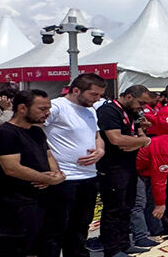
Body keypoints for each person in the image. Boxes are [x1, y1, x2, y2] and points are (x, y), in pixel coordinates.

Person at [0, 89, 65, 257]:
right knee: (18, 248)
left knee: (48, 244)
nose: (47, 113)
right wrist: (47, 178)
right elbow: (12, 168)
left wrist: (56, 174)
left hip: (42, 201)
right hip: (16, 204)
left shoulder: (36, 131)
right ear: (22, 108)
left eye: (48, 108)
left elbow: (48, 155)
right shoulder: (4, 134)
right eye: (42, 109)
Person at [43, 73, 107, 257]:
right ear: (76, 90)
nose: (97, 99)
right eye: (93, 94)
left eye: (100, 95)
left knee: (81, 226)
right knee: (55, 228)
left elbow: (97, 135)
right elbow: (35, 131)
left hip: (88, 176)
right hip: (65, 177)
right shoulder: (57, 107)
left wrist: (100, 150)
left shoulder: (90, 110)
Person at [96, 85, 154, 257]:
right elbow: (116, 139)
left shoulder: (131, 111)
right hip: (112, 166)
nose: (142, 107)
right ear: (129, 96)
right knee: (114, 208)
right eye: (141, 103)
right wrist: (142, 141)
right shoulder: (109, 110)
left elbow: (140, 135)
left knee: (127, 206)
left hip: (129, 164)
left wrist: (139, 141)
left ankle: (124, 244)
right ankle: (112, 248)